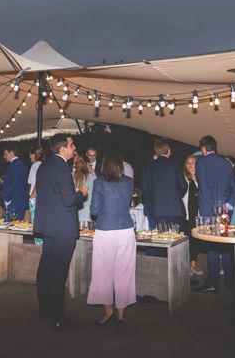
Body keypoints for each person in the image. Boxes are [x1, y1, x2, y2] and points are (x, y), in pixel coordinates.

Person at [33, 134, 88, 332]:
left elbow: (49, 197)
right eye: (72, 145)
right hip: (63, 229)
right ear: (63, 148)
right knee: (58, 273)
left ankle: (45, 311)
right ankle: (58, 319)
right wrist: (81, 193)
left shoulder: (44, 167)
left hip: (48, 228)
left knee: (46, 268)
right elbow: (68, 200)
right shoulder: (62, 168)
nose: (74, 149)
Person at [87, 150, 136, 335]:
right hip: (125, 230)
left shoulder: (99, 182)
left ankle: (108, 312)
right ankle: (121, 316)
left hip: (105, 231)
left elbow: (94, 209)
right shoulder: (130, 183)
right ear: (121, 164)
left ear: (104, 164)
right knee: (124, 273)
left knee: (103, 273)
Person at [194, 135, 235, 293]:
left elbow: (204, 188)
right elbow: (234, 188)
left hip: (208, 210)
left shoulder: (202, 162)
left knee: (212, 246)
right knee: (225, 244)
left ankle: (213, 282)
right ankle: (230, 281)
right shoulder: (226, 163)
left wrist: (213, 208)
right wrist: (227, 205)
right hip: (226, 211)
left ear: (204, 148)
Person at [141, 137, 188, 231]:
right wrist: (175, 195)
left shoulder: (147, 167)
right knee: (177, 240)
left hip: (156, 211)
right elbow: (183, 186)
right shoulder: (175, 164)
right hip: (175, 210)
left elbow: (145, 191)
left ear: (156, 151)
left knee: (162, 241)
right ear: (169, 150)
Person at [182, 155, 203, 276]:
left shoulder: (201, 179)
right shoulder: (183, 178)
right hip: (185, 214)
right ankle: (186, 264)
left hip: (198, 215)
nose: (190, 165)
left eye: (193, 163)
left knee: (195, 240)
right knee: (186, 239)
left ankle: (193, 264)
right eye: (188, 163)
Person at [1, 145, 28, 220]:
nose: (4, 156)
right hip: (21, 201)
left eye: (6, 154)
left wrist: (6, 199)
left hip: (13, 201)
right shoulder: (23, 165)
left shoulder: (12, 166)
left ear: (12, 153)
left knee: (9, 228)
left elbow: (13, 184)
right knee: (18, 228)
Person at [74, 152, 96, 224]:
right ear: (87, 164)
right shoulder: (92, 176)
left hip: (75, 212)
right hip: (88, 212)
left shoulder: (72, 175)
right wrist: (93, 173)